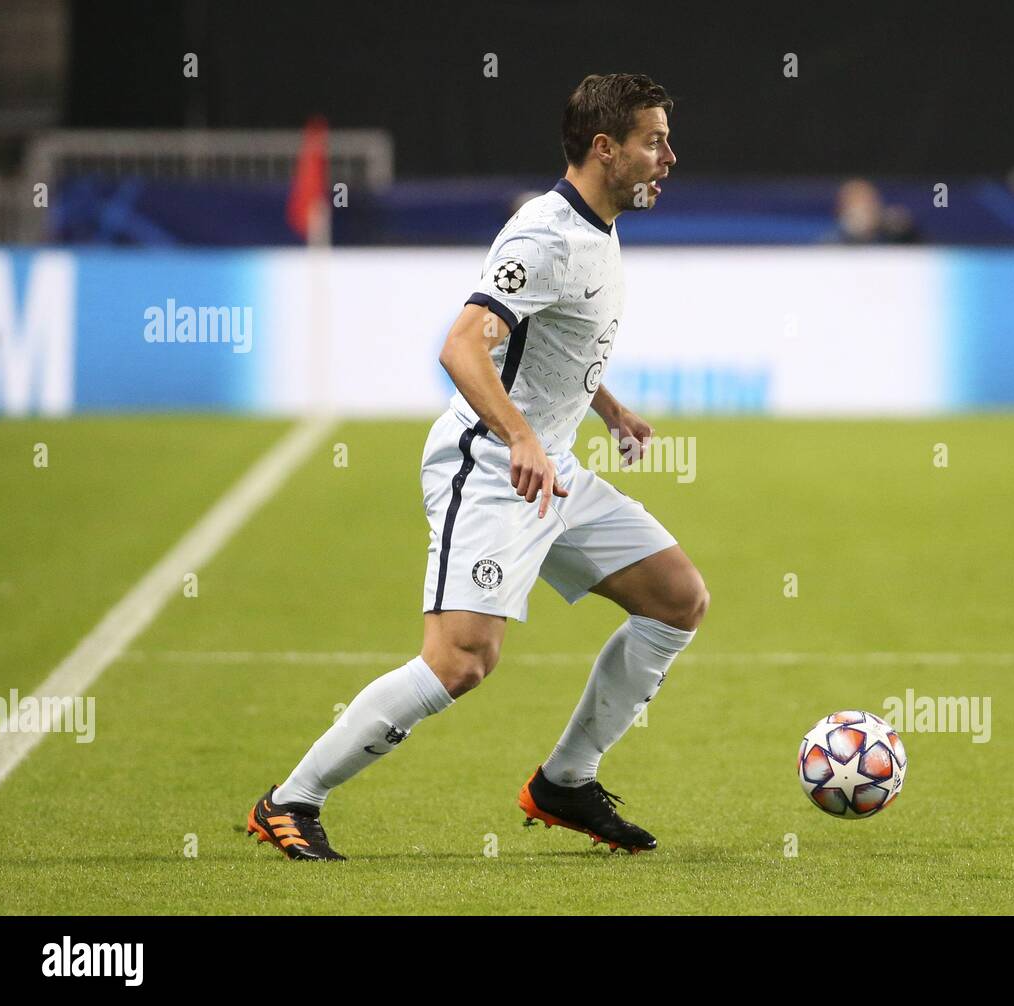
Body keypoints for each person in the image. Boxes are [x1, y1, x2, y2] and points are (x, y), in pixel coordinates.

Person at [246, 73, 705, 860]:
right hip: (493, 465)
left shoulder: (598, 224)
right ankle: (290, 800)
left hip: (549, 465)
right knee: (461, 661)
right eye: (653, 140)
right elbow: (462, 346)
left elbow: (551, 345)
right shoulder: (545, 234)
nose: (669, 155)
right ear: (605, 149)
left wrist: (609, 408)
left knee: (676, 599)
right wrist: (522, 436)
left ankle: (565, 781)